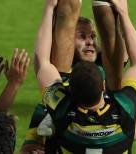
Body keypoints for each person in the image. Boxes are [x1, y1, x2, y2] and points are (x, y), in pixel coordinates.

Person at [33, 0, 136, 153]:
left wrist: (49, 9)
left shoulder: (62, 108)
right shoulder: (125, 108)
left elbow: (42, 62)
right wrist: (123, 14)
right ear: (103, 86)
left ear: (69, 88)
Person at [20, 16, 101, 154]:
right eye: (82, 36)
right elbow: (28, 148)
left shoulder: (103, 71)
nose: (90, 42)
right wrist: (31, 146)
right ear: (68, 42)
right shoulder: (59, 81)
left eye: (93, 36)